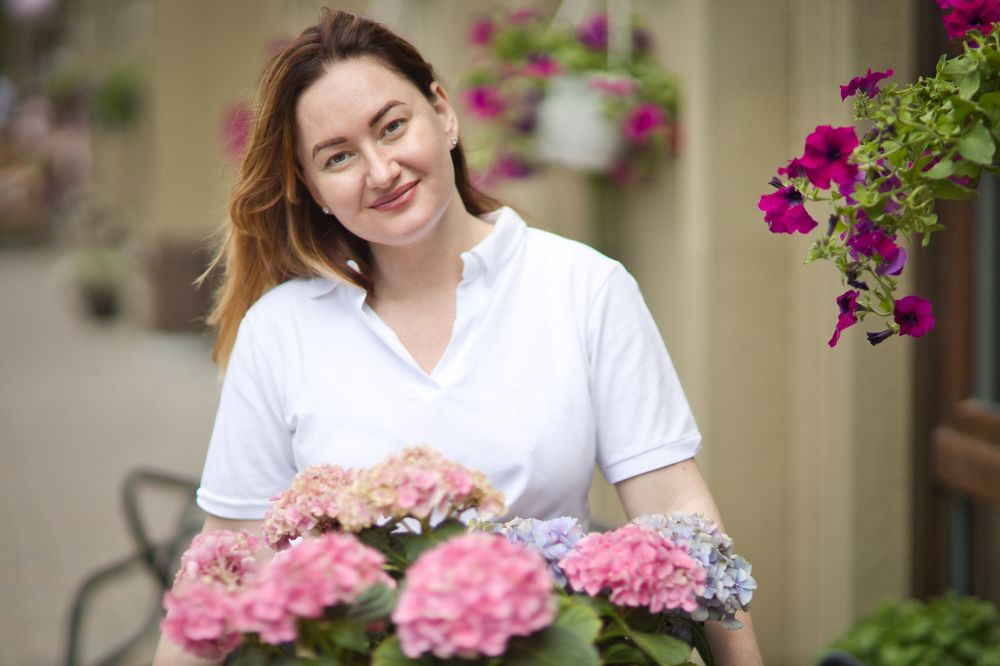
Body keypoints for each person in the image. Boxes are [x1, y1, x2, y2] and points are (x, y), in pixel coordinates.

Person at [154, 8, 762, 665]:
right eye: (339, 157)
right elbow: (227, 563)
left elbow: (677, 514)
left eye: (392, 126)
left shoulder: (584, 287)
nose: (381, 170)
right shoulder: (279, 330)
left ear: (443, 114)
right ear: (313, 188)